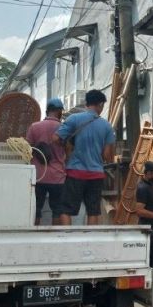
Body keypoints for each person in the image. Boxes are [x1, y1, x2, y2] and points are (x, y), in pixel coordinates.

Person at [53, 90, 115, 225]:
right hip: (96, 174)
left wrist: (67, 147)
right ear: (100, 104)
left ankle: (67, 238)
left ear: (87, 103)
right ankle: (90, 239)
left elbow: (56, 138)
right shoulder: (107, 126)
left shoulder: (73, 119)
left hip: (75, 172)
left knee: (66, 210)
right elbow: (106, 155)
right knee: (93, 211)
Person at [26, 98, 66, 225]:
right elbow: (69, 151)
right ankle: (55, 239)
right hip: (57, 176)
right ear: (60, 112)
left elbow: (27, 150)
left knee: (36, 209)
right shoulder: (63, 128)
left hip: (38, 176)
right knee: (57, 210)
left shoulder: (34, 127)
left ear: (47, 111)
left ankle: (34, 237)